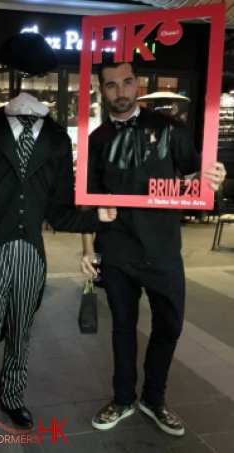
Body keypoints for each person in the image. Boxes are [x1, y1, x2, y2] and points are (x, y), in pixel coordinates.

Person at [0, 90, 117, 434]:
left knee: (22, 333)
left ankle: (12, 397)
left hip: (32, 254)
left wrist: (97, 217)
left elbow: (60, 213)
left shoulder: (56, 139)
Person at [81, 61, 226, 436]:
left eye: (127, 82)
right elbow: (86, 202)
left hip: (162, 248)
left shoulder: (170, 129)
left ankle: (154, 398)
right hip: (116, 250)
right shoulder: (96, 140)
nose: (121, 92)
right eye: (111, 86)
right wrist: (87, 250)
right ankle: (124, 398)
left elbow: (197, 180)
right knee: (123, 328)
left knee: (170, 326)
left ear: (137, 84)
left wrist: (215, 178)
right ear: (102, 90)